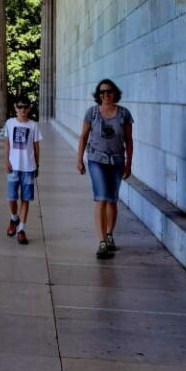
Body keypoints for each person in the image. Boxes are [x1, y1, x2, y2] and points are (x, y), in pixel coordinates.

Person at [76, 78, 133, 260]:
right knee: (101, 198)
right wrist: (80, 160)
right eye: (102, 92)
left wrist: (129, 163)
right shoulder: (92, 113)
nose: (106, 95)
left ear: (115, 93)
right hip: (97, 159)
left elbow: (129, 140)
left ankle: (109, 235)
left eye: (108, 91)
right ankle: (101, 242)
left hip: (116, 160)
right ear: (98, 95)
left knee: (112, 200)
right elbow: (84, 137)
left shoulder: (123, 114)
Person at [4, 97, 42, 245]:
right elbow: (7, 144)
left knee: (26, 199)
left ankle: (21, 230)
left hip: (28, 167)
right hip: (14, 166)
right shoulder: (10, 123)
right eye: (20, 107)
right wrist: (6, 161)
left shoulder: (33, 125)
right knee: (11, 198)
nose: (23, 110)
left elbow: (36, 147)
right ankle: (14, 218)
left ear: (29, 108)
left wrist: (37, 165)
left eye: (25, 107)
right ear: (15, 107)